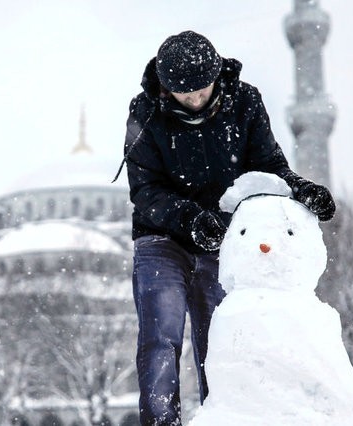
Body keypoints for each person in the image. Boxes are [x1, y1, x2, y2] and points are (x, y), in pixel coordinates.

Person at [114, 30, 335, 426]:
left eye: (203, 89)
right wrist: (191, 218)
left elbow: (268, 165)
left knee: (218, 341)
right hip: (161, 238)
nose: (197, 100)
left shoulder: (245, 101)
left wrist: (301, 191)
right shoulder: (145, 111)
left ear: (217, 75)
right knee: (160, 337)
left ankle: (221, 418)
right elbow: (145, 191)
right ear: (167, 89)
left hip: (223, 239)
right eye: (186, 94)